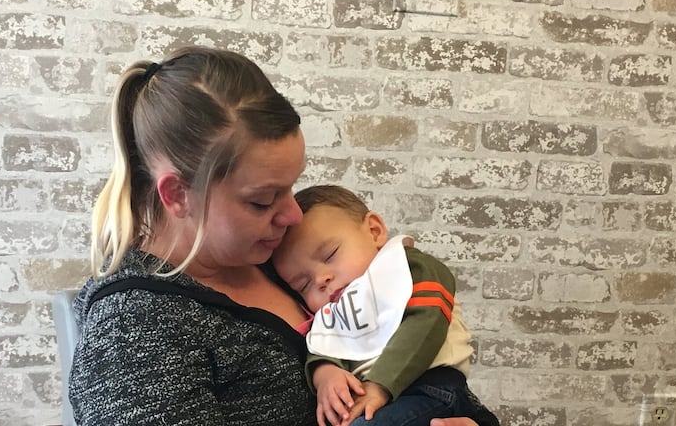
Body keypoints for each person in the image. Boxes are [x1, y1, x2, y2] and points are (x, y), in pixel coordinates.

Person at [68, 45, 484, 426]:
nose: (293, 214)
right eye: (263, 201)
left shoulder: (282, 257)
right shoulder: (134, 333)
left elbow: (432, 379)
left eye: (291, 186)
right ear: (178, 194)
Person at [271, 185, 499, 426]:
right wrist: (325, 373)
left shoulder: (409, 268)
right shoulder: (336, 307)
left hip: (432, 390)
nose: (321, 279)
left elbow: (425, 324)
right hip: (376, 402)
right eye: (303, 284)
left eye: (329, 255)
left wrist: (379, 386)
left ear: (374, 230)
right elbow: (325, 341)